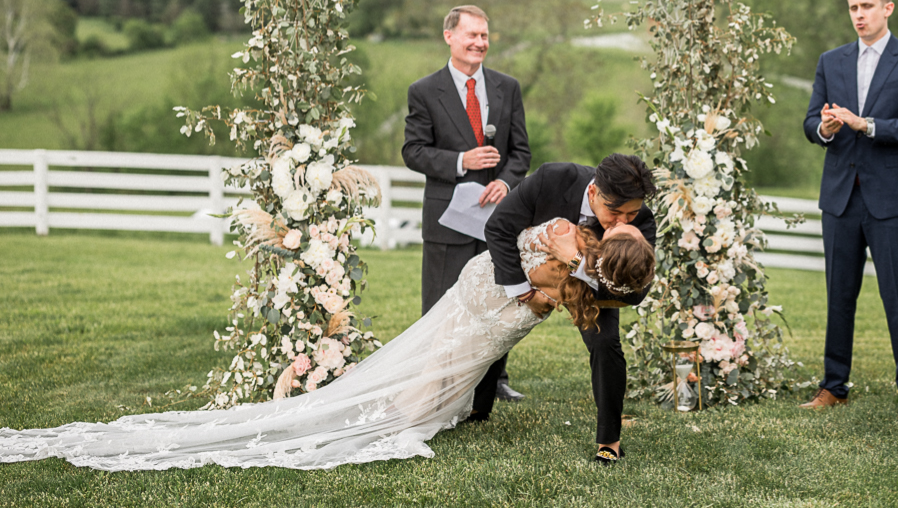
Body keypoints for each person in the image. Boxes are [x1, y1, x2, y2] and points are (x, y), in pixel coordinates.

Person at [0, 220, 654, 472]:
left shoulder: (591, 285)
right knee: (432, 374)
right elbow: (525, 276)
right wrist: (553, 285)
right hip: (488, 297)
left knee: (448, 386)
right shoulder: (566, 243)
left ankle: (404, 412)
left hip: (502, 317)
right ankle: (376, 419)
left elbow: (584, 319)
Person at [801, 0, 898, 416]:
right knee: (838, 296)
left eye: (866, 6)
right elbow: (810, 122)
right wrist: (824, 128)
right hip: (840, 197)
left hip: (895, 200)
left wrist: (867, 124)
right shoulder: (831, 61)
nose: (858, 15)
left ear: (887, 9)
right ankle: (833, 386)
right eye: (852, 8)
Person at [480, 153, 657, 464]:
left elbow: (633, 293)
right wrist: (524, 293)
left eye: (631, 214)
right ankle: (478, 407)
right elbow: (498, 228)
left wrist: (576, 263)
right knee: (497, 328)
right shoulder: (553, 178)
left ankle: (609, 442)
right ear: (593, 193)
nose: (622, 222)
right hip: (526, 271)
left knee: (605, 344)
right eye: (614, 213)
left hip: (589, 293)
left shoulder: (640, 221)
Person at [402, 5, 531, 402]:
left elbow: (521, 152)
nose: (480, 43)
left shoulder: (507, 87)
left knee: (498, 299)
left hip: (498, 220)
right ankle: (437, 381)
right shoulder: (424, 91)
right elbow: (413, 151)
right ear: (449, 37)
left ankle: (495, 381)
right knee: (443, 301)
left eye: (484, 36)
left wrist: (507, 184)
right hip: (448, 219)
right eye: (472, 35)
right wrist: (462, 161)